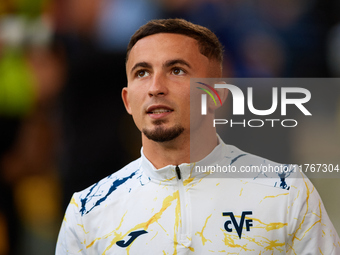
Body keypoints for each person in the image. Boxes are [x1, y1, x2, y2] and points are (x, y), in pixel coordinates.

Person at [55, 18, 340, 254]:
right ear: (128, 101)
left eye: (176, 70)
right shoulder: (88, 211)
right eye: (142, 72)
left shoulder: (288, 193)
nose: (155, 87)